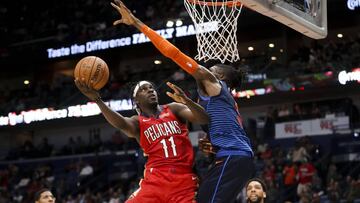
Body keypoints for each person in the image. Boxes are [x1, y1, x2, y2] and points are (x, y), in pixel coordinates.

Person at [111, 1, 254, 202]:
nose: (206, 69)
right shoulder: (225, 100)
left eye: (212, 69)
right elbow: (225, 127)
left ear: (220, 76)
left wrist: (136, 23)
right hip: (234, 157)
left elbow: (173, 53)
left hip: (233, 157)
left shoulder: (213, 84)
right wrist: (213, 143)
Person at [74, 78, 209, 202]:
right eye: (143, 89)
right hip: (154, 181)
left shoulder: (174, 108)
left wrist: (187, 101)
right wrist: (98, 100)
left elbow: (204, 119)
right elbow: (120, 123)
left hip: (183, 180)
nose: (150, 90)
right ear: (136, 100)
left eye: (151, 87)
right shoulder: (137, 122)